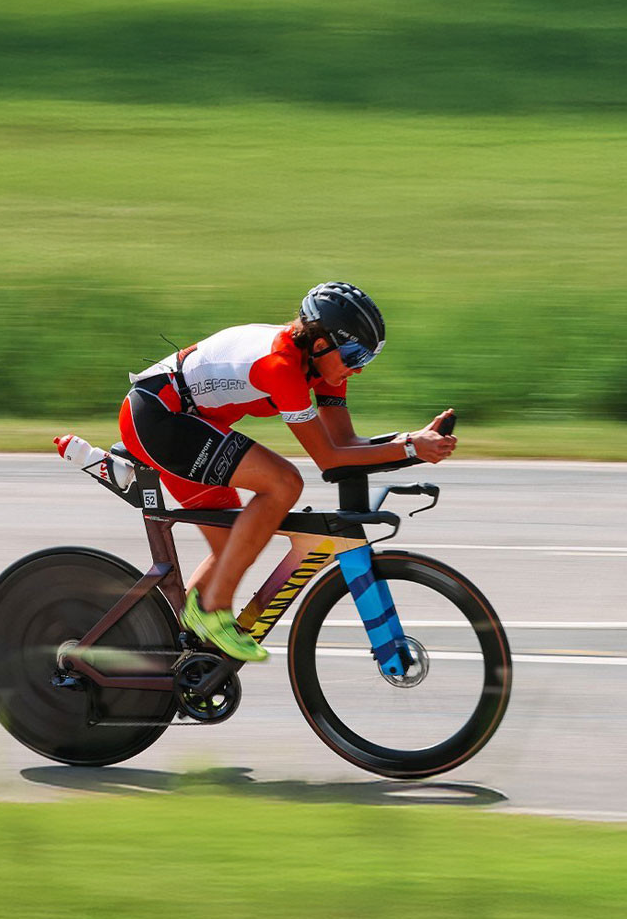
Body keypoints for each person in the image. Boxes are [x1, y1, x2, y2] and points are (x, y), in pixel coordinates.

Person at [119, 282, 455, 662]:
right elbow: (328, 459)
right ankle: (214, 610)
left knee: (233, 549)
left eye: (367, 358)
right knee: (283, 483)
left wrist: (412, 441)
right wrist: (410, 449)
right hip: (159, 417)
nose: (357, 369)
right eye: (354, 354)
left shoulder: (328, 368)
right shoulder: (281, 367)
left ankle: (181, 661)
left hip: (193, 423)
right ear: (319, 342)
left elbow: (345, 442)